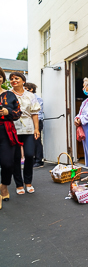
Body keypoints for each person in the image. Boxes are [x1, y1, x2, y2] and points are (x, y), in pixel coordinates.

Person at [10, 72, 41, 194]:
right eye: (11, 79)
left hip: (28, 129)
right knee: (16, 157)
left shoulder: (30, 96)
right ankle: (19, 184)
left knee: (29, 155)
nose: (13, 80)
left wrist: (36, 129)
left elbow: (34, 113)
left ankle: (28, 182)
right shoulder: (8, 94)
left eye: (16, 78)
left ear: (23, 81)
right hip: (12, 129)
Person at [0, 67, 22, 208]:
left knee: (8, 163)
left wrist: (8, 111)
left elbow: (18, 113)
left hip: (6, 131)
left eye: (0, 76)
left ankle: (4, 185)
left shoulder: (10, 95)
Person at [24, 82, 44, 168]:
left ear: (31, 89)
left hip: (37, 121)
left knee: (37, 141)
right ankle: (32, 160)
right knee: (30, 141)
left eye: (26, 88)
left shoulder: (37, 98)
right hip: (28, 122)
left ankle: (39, 160)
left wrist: (36, 125)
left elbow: (37, 112)